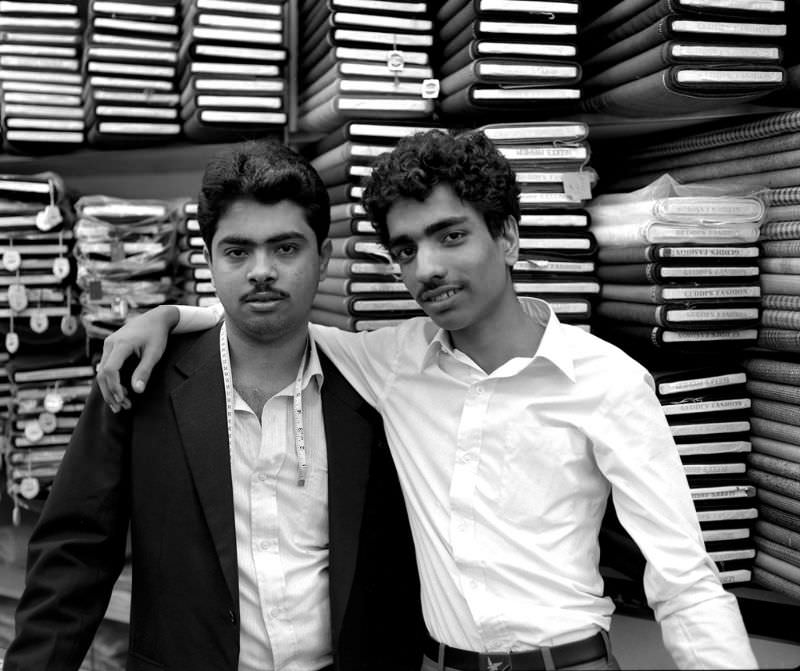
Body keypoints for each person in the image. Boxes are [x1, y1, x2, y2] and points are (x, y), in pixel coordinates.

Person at [97, 130, 758, 670]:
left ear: (507, 236)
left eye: (450, 236)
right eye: (405, 250)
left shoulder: (606, 382)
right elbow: (271, 311)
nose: (427, 269)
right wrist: (162, 315)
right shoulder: (393, 361)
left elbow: (685, 579)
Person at [3, 141, 424, 671]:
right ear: (209, 261)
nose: (261, 271)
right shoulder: (141, 381)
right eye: (238, 251)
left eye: (287, 249)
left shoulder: (374, 389)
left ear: (324, 257)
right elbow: (74, 557)